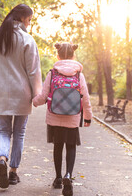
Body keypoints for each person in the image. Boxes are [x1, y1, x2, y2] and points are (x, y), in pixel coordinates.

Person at [0, 4, 42, 189]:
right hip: (22, 93)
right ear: (24, 19)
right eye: (30, 20)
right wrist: (37, 95)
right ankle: (13, 173)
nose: (30, 23)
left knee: (3, 131)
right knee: (19, 133)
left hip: (1, 92)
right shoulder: (27, 40)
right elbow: (33, 71)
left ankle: (2, 159)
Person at [32, 42, 93, 196]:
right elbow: (85, 98)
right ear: (73, 56)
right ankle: (68, 176)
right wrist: (88, 117)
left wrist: (34, 101)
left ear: (58, 56)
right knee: (71, 146)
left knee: (58, 146)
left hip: (54, 116)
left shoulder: (53, 73)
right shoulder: (79, 75)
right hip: (73, 118)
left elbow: (44, 95)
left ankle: (58, 178)